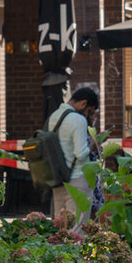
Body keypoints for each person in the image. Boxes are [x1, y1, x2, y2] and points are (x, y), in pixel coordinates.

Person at [50, 85, 101, 224]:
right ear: (83, 103)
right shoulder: (78, 120)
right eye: (89, 111)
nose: (87, 116)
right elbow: (80, 153)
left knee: (60, 227)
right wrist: (92, 145)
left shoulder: (54, 116)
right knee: (77, 229)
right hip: (77, 178)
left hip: (58, 177)